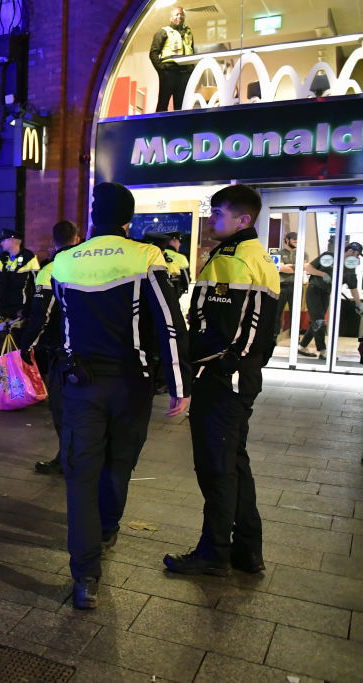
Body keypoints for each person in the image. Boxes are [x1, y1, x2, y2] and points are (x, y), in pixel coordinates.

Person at [50, 183, 191, 609]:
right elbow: (169, 323)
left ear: (93, 217)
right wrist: (180, 385)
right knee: (120, 464)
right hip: (131, 383)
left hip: (79, 385)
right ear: (127, 220)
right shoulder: (146, 256)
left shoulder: (63, 261)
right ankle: (108, 527)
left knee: (80, 476)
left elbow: (64, 319)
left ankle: (85, 577)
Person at [164, 185, 281, 577]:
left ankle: (214, 551)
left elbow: (229, 330)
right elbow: (263, 325)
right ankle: (248, 550)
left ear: (243, 220)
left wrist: (208, 363)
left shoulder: (233, 259)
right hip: (237, 378)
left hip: (223, 380)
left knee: (216, 467)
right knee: (233, 464)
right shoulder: (256, 255)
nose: (211, 219)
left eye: (218, 213)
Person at [16, 221, 82, 475]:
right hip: (88, 349)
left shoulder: (50, 270)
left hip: (60, 351)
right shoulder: (86, 266)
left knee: (61, 410)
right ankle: (77, 457)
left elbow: (41, 315)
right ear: (76, 239)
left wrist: (27, 346)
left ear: (54, 242)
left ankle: (67, 460)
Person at [298, 240, 363, 359]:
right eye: (357, 254)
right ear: (350, 251)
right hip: (314, 290)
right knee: (319, 321)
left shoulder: (350, 268)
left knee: (318, 321)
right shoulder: (328, 257)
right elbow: (308, 267)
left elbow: (353, 288)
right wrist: (322, 274)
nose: (357, 258)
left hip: (325, 294)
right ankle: (323, 351)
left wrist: (358, 303)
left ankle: (302, 346)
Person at [149, 6, 195, 113]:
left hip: (184, 74)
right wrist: (162, 71)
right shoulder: (163, 32)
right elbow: (153, 53)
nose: (179, 16)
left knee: (182, 107)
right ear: (171, 18)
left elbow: (192, 52)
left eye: (181, 14)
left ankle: (180, 128)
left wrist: (192, 70)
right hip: (169, 73)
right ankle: (159, 127)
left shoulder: (188, 33)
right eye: (176, 14)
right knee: (163, 104)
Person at [0, 228, 40, 322]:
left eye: (4, 240)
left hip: (20, 309)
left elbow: (37, 286)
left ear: (12, 240)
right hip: (1, 309)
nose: (1, 243)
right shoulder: (1, 259)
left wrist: (28, 310)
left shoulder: (29, 258)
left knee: (16, 334)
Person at [274, 232, 297, 342]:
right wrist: (294, 267)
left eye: (297, 239)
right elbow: (279, 268)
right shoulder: (278, 253)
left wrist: (287, 266)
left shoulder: (302, 253)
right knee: (276, 313)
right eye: (293, 239)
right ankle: (274, 336)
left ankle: (295, 338)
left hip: (296, 287)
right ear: (286, 240)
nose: (296, 241)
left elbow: (304, 267)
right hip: (281, 286)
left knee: (295, 313)